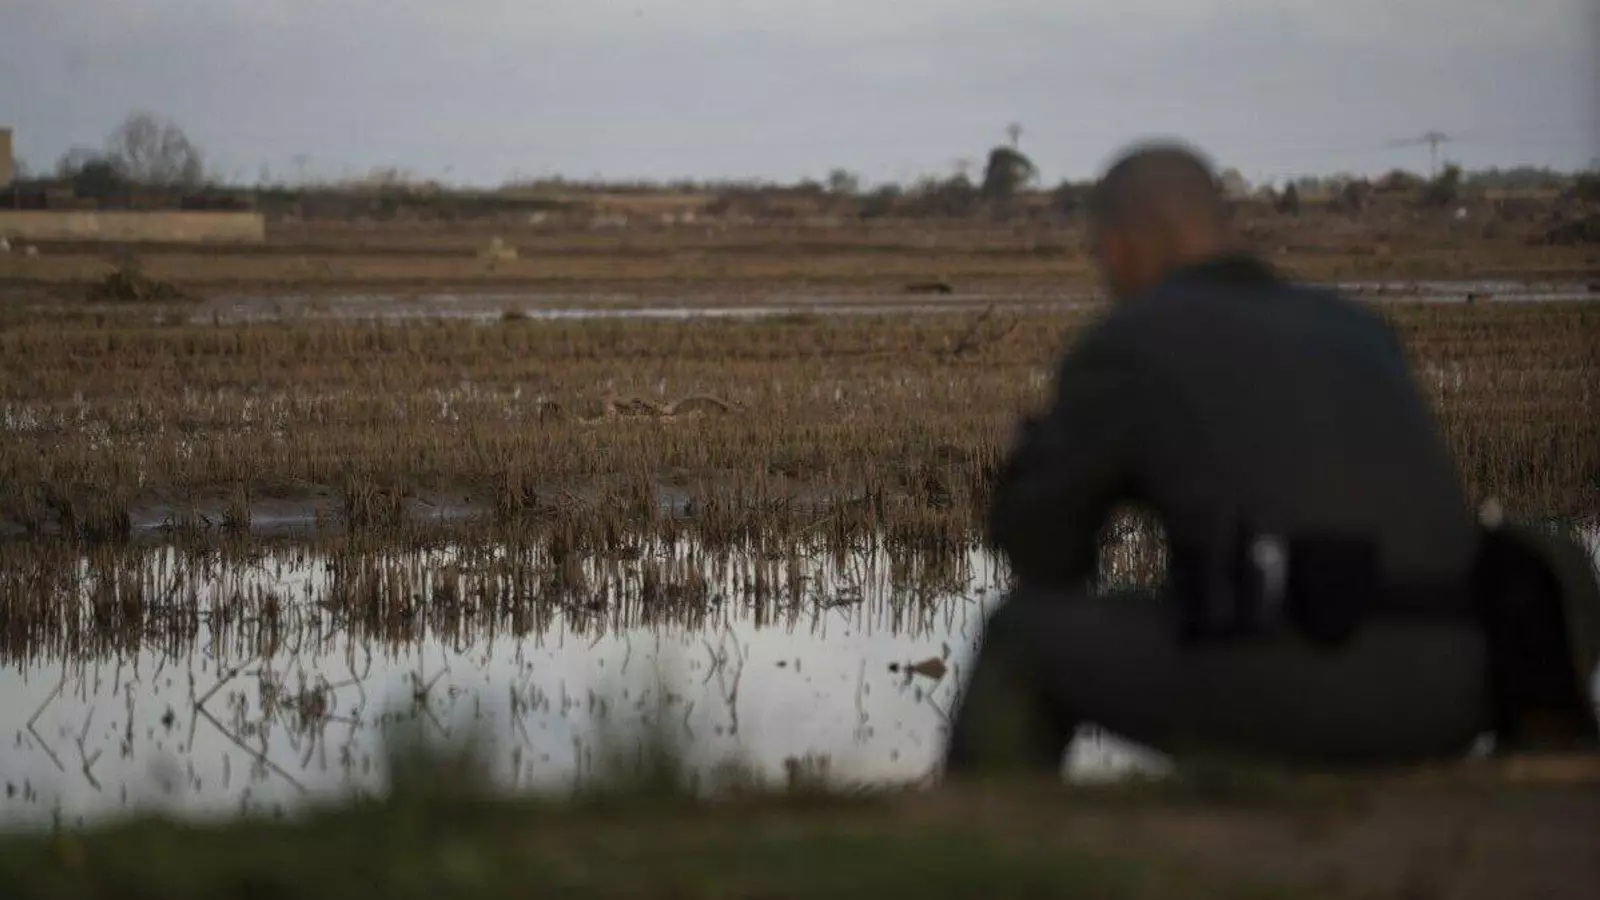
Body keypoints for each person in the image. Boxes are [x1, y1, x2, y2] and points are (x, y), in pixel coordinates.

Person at [941, 141, 1597, 777]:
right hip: (1458, 691)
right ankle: (1546, 752)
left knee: (1019, 635)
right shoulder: (1356, 328)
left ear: (1117, 245)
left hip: (1287, 692)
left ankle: (988, 833)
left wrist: (1038, 468)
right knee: (1556, 554)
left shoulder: (1128, 341)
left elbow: (1045, 554)